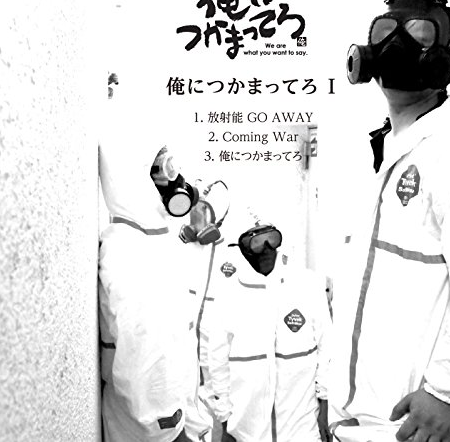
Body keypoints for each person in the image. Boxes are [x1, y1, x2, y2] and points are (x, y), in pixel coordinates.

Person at [329, 0, 450, 441]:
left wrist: (447, 392)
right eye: (385, 32)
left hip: (415, 425)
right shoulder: (383, 149)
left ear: (446, 59)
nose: (397, 46)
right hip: (357, 417)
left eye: (420, 35)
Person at [98, 95, 212, 442]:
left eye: (172, 164)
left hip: (178, 420)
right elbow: (145, 365)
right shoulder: (129, 251)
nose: (176, 179)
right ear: (134, 177)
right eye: (161, 168)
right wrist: (170, 429)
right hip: (155, 433)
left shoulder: (151, 237)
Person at [202, 215, 332, 442]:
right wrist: (225, 422)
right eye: (256, 242)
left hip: (302, 429)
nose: (266, 248)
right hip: (247, 431)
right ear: (243, 249)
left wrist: (325, 410)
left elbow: (327, 347)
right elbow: (217, 361)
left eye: (272, 238)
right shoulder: (228, 294)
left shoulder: (307, 284)